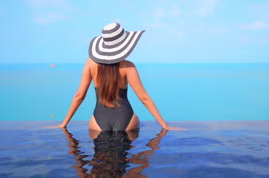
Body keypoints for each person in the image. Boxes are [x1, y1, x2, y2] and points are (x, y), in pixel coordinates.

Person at [47, 22, 181, 132]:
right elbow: (144, 98)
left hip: (98, 120)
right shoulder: (128, 66)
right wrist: (164, 125)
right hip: (126, 120)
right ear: (123, 45)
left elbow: (79, 96)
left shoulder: (90, 63)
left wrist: (64, 124)